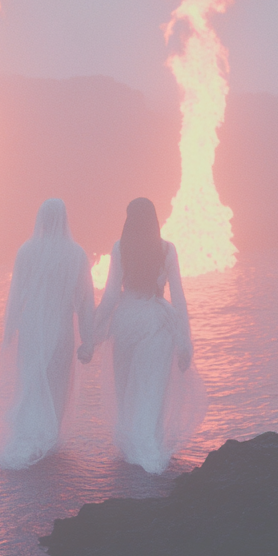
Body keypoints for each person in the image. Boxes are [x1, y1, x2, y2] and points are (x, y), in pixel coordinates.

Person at [93, 197, 206, 474]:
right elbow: (178, 298)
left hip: (126, 322)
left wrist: (91, 334)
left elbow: (108, 298)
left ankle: (131, 450)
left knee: (125, 389)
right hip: (159, 323)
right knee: (154, 390)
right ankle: (150, 447)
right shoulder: (167, 249)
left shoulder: (120, 248)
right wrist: (184, 341)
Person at [0, 198, 95, 469]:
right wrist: (88, 339)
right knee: (57, 385)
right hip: (62, 328)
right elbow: (86, 301)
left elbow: (16, 295)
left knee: (31, 383)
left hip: (31, 328)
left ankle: (29, 437)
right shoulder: (76, 254)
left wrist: (9, 331)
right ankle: (49, 443)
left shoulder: (26, 251)